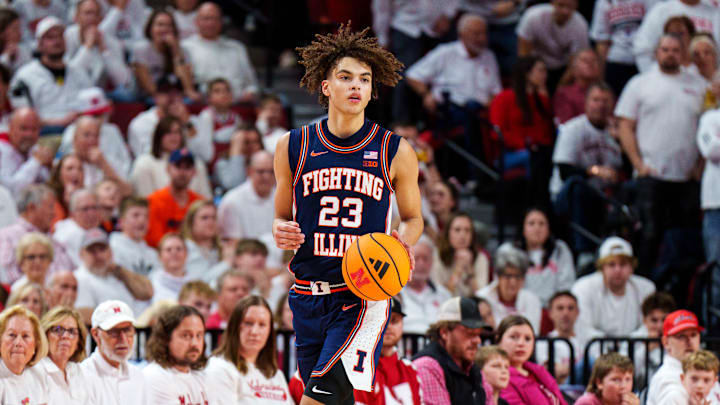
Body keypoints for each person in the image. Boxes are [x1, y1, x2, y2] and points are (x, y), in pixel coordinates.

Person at [273, 24, 423, 405]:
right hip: (307, 296)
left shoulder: (394, 150)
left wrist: (398, 245)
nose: (356, 86)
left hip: (361, 295)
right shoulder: (294, 145)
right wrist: (281, 231)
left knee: (316, 401)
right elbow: (280, 217)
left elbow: (412, 217)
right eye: (345, 77)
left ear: (373, 91)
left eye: (364, 80)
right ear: (326, 87)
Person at [618, 35, 707, 274]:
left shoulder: (699, 86)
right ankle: (643, 288)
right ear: (656, 53)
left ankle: (677, 295)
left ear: (683, 54)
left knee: (684, 243)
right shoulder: (640, 83)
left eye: (675, 49)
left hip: (686, 178)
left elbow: (707, 126)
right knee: (648, 236)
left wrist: (699, 166)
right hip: (651, 174)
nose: (670, 54)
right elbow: (625, 125)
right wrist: (637, 162)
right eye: (665, 49)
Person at [406, 13, 502, 165]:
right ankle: (477, 172)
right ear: (462, 35)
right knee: (471, 111)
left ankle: (492, 166)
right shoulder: (446, 52)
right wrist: (426, 94)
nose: (482, 38)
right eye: (476, 33)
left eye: (484, 33)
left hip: (482, 113)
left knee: (482, 115)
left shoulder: (489, 56)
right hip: (451, 112)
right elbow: (413, 75)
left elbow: (497, 92)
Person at [551, 82, 622, 255]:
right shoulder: (573, 129)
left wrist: (622, 142)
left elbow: (624, 169)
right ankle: (584, 252)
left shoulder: (616, 133)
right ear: (586, 103)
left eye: (605, 101)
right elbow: (564, 172)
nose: (600, 105)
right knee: (578, 186)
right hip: (565, 197)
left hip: (602, 196)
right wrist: (594, 171)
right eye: (595, 100)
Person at [489, 56, 555, 207]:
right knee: (532, 158)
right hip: (508, 155)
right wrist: (525, 144)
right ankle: (534, 206)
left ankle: (544, 206)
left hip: (537, 153)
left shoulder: (543, 101)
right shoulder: (504, 98)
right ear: (527, 73)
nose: (545, 75)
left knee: (546, 158)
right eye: (540, 71)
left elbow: (546, 134)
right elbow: (495, 132)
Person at [205, 295, 293, 404]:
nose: (254, 332)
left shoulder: (275, 374)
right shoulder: (219, 367)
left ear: (270, 331)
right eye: (248, 323)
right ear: (234, 326)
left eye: (262, 325)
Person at [8, 16, 93, 127]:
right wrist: (60, 122)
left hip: (81, 129)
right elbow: (20, 117)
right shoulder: (24, 75)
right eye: (50, 38)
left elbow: (93, 104)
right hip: (45, 133)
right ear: (39, 44)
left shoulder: (78, 72)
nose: (56, 41)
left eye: (60, 36)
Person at [572, 236, 656, 336]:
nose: (618, 270)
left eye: (623, 264)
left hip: (635, 349)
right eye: (611, 264)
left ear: (632, 268)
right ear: (601, 268)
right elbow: (583, 328)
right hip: (594, 349)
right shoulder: (583, 288)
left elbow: (648, 327)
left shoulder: (647, 288)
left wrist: (625, 348)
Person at [412, 296, 488, 405]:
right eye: (469, 333)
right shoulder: (426, 367)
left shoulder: (473, 369)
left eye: (479, 334)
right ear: (444, 333)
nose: (477, 340)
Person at [181, 2, 258, 101]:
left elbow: (252, 84)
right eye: (206, 18)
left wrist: (250, 93)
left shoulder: (237, 48)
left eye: (215, 19)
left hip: (238, 105)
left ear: (221, 22)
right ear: (196, 21)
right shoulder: (185, 47)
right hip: (203, 107)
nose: (211, 23)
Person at [0, 184, 75, 284]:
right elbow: (8, 278)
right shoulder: (7, 236)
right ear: (31, 208)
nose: (54, 213)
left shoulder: (56, 242)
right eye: (51, 207)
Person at [74, 228, 154, 321]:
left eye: (102, 249)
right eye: (92, 251)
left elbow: (147, 293)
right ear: (81, 254)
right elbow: (86, 317)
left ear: (111, 252)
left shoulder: (117, 273)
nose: (99, 256)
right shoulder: (79, 278)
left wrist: (120, 271)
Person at [354, 297, 423, 405]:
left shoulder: (410, 368)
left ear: (402, 324)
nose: (388, 327)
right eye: (382, 320)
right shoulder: (359, 367)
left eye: (394, 321)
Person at [127, 75, 212, 161]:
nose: (171, 97)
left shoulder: (193, 122)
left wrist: (187, 124)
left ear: (182, 97)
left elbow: (206, 156)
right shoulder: (141, 124)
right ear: (155, 97)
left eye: (176, 92)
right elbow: (146, 158)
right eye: (166, 92)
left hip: (188, 170)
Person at [81, 300, 149, 405]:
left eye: (127, 330)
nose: (123, 339)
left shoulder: (138, 376)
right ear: (95, 335)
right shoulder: (83, 377)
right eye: (113, 332)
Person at [647, 309, 719, 405]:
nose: (689, 341)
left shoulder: (707, 371)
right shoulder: (667, 381)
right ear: (666, 342)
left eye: (693, 335)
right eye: (681, 336)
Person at [130, 115, 212, 198]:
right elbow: (144, 202)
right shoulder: (143, 164)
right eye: (168, 132)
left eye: (177, 132)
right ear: (159, 136)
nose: (173, 137)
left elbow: (206, 199)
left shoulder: (197, 164)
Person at [59, 88, 132, 181]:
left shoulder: (112, 130)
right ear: (80, 115)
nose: (99, 119)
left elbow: (126, 161)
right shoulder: (71, 131)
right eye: (94, 115)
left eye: (101, 114)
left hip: (111, 181)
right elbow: (62, 164)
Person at [516, 0, 589, 92]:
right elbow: (523, 54)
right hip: (534, 63)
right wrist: (530, 79)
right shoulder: (533, 16)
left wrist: (559, 89)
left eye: (569, 7)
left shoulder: (581, 25)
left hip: (562, 67)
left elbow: (574, 64)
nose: (565, 11)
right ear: (552, 3)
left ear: (576, 6)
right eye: (561, 5)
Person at [144, 305, 211, 403]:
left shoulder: (201, 376)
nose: (194, 343)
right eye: (186, 335)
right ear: (166, 338)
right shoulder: (155, 376)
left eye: (199, 335)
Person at [496, 315, 567, 405]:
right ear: (498, 340)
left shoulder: (539, 371)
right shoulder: (499, 375)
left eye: (527, 339)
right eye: (514, 337)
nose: (521, 343)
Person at [633, 0, 720, 72]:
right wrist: (653, 78)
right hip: (667, 78)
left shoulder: (715, 14)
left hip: (706, 82)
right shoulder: (662, 10)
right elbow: (642, 49)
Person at [131, 8, 198, 100]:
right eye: (160, 25)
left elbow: (188, 88)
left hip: (176, 95)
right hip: (150, 97)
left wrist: (176, 52)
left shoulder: (182, 50)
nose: (164, 29)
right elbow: (148, 87)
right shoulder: (140, 49)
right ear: (150, 28)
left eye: (169, 25)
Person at [535, 291, 600, 384]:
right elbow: (552, 373)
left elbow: (601, 370)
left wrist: (565, 370)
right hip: (560, 390)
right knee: (589, 360)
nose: (565, 313)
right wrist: (583, 367)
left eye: (570, 308)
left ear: (577, 312)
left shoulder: (589, 339)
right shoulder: (543, 343)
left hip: (587, 390)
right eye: (560, 308)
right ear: (550, 313)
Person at [64, 0, 131, 90]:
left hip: (99, 93)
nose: (92, 17)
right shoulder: (68, 35)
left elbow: (124, 80)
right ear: (76, 17)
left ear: (101, 18)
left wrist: (104, 50)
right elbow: (68, 75)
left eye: (96, 13)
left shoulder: (110, 41)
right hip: (72, 91)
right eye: (88, 13)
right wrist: (87, 46)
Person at [515, 207, 575, 305]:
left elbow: (566, 284)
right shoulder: (510, 251)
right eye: (531, 223)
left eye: (541, 223)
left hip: (553, 310)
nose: (537, 228)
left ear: (549, 228)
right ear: (523, 228)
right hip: (521, 308)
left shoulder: (560, 249)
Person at [145, 148, 204, 248]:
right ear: (168, 169)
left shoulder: (200, 203)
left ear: (194, 172)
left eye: (187, 168)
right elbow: (154, 240)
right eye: (178, 166)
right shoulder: (153, 201)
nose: (182, 172)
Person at [477, 243, 542, 333]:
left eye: (518, 276)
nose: (513, 282)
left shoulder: (532, 300)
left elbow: (533, 333)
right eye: (508, 276)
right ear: (498, 277)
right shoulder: (482, 298)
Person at [590, 0, 651, 95]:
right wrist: (601, 77)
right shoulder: (603, 2)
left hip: (644, 60)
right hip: (616, 61)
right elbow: (602, 41)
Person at [38, 306, 96, 403]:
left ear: (78, 342)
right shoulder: (36, 373)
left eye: (72, 331)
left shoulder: (81, 373)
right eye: (58, 330)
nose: (65, 336)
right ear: (45, 336)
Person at [219, 150, 276, 242]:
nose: (267, 177)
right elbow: (232, 244)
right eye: (261, 171)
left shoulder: (285, 199)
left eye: (271, 171)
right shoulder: (232, 201)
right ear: (249, 171)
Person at [399, 236, 452, 334]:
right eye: (416, 258)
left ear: (432, 261)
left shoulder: (444, 296)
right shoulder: (395, 294)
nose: (421, 264)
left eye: (425, 258)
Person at [432, 212, 491, 297]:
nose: (462, 235)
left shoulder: (481, 258)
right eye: (457, 230)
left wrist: (470, 271)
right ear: (448, 233)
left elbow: (482, 298)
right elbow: (438, 298)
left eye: (467, 230)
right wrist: (457, 271)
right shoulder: (436, 256)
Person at [0, 305, 49, 404]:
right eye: (12, 335)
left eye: (25, 336)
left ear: (35, 344)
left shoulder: (39, 375)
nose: (18, 342)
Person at [628, 292, 676, 389]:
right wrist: (648, 348)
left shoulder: (678, 339)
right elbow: (626, 371)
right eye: (654, 320)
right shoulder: (633, 339)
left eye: (664, 320)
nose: (660, 326)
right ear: (645, 320)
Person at [0, 107, 52, 194]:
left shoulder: (35, 149)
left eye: (34, 129)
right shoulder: (2, 149)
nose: (29, 134)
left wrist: (49, 168)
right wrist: (36, 162)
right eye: (24, 128)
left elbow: (45, 182)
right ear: (11, 128)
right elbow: (12, 191)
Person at [109, 196, 160, 276]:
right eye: (136, 215)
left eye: (146, 216)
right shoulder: (113, 249)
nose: (142, 220)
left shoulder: (152, 254)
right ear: (122, 222)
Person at [553, 49, 602, 124]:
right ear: (574, 68)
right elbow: (566, 125)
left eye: (594, 60)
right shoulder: (564, 94)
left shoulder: (606, 93)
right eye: (585, 60)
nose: (590, 63)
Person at [197, 77, 242, 159]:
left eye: (227, 90)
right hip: (213, 162)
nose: (223, 94)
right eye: (217, 91)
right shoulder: (206, 116)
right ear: (208, 98)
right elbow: (205, 150)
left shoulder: (236, 117)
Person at [53, 188, 101, 264]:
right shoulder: (67, 235)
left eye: (94, 208)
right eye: (85, 209)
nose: (91, 213)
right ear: (72, 213)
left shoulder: (96, 231)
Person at [213, 123, 264, 191]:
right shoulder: (222, 164)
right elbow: (235, 186)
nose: (251, 146)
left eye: (255, 142)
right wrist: (237, 152)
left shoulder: (268, 164)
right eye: (246, 142)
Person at [575, 352, 639, 405]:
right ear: (599, 383)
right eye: (616, 380)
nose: (624, 386)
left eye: (628, 379)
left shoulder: (632, 402)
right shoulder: (587, 402)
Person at [181, 200, 220, 279]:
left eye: (214, 218)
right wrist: (227, 262)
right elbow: (200, 281)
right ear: (191, 222)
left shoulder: (223, 248)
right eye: (204, 218)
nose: (210, 222)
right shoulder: (183, 248)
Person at [150, 233, 193, 304]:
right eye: (168, 250)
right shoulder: (151, 282)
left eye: (179, 249)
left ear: (186, 254)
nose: (174, 252)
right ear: (159, 255)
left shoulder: (194, 285)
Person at [47, 154, 84, 225]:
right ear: (59, 173)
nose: (76, 172)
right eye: (70, 168)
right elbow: (55, 229)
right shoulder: (49, 198)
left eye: (80, 169)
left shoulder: (89, 198)